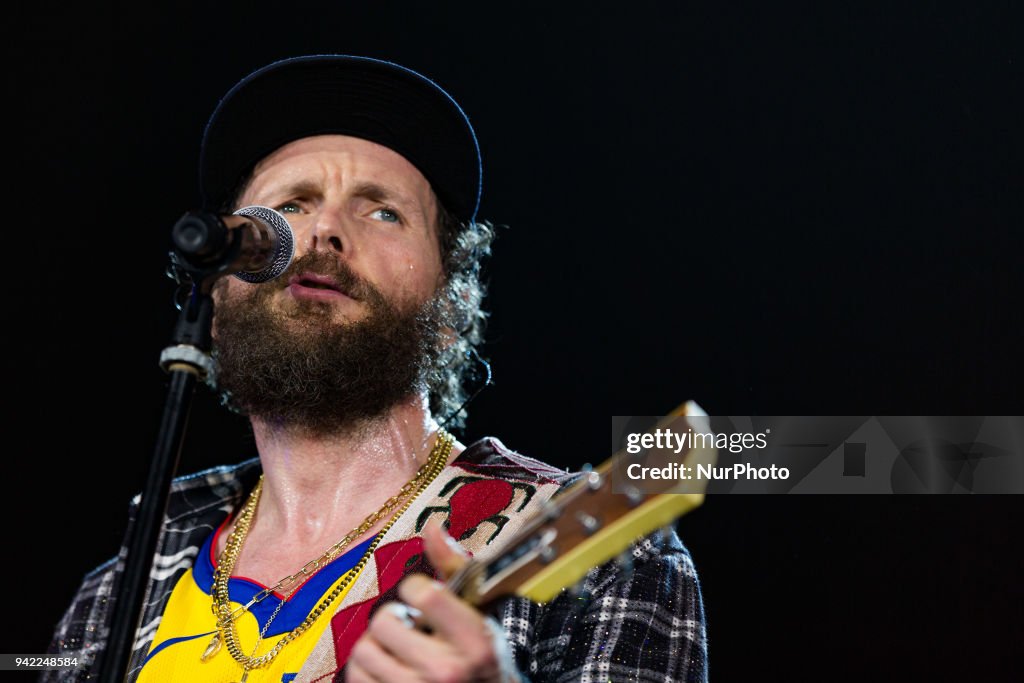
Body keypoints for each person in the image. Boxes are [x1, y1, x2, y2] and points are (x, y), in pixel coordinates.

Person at [45, 55, 709, 682]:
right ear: (217, 295)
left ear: (453, 306)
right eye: (290, 206)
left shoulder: (607, 557)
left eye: (383, 211)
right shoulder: (116, 593)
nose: (324, 230)